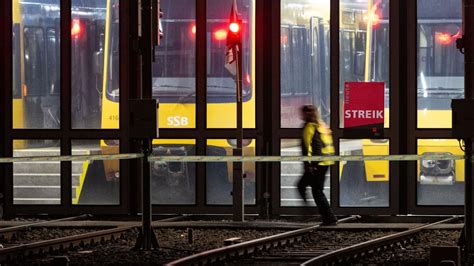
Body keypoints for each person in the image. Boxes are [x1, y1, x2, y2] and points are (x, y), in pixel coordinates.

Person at [297, 105, 337, 225]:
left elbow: (312, 146)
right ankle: (314, 213)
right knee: (305, 186)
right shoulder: (321, 124)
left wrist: (311, 165)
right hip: (325, 162)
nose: (301, 115)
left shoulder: (310, 126)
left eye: (302, 113)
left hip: (317, 164)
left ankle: (327, 217)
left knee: (315, 190)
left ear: (305, 114)